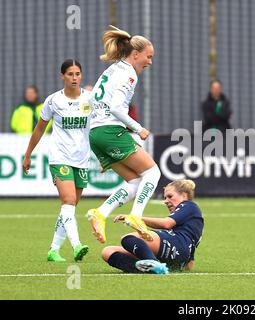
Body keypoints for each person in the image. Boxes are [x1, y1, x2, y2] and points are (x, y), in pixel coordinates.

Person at [87, 25, 161, 244]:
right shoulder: (129, 74)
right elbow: (117, 108)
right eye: (148, 56)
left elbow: (93, 102)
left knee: (136, 181)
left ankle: (100, 212)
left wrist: (103, 144)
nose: (150, 61)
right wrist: (139, 128)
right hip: (110, 131)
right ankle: (136, 216)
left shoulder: (112, 70)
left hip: (96, 133)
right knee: (153, 173)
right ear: (135, 54)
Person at [22, 59, 91, 262]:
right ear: (62, 76)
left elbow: (98, 128)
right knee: (68, 201)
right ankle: (77, 245)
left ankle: (53, 250)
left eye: (77, 74)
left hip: (82, 159)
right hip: (59, 157)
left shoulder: (91, 99)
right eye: (70, 74)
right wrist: (28, 155)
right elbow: (40, 128)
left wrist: (104, 157)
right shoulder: (53, 101)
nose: (74, 78)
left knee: (70, 207)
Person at [102, 179, 203, 274]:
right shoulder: (191, 216)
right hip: (177, 253)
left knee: (128, 239)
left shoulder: (189, 205)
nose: (166, 201)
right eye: (165, 198)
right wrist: (186, 264)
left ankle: (154, 263)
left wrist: (136, 218)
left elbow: (166, 223)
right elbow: (191, 248)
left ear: (184, 196)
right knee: (108, 252)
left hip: (176, 246)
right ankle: (148, 269)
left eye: (170, 196)